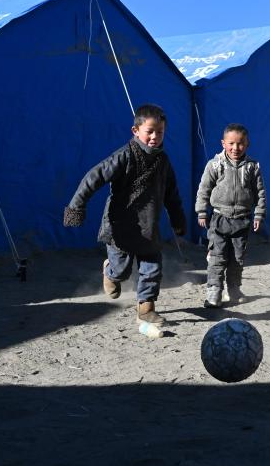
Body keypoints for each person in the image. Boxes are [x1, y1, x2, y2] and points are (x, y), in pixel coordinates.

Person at [63, 103, 186, 327]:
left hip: (149, 227)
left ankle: (146, 309)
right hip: (120, 226)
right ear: (135, 131)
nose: (155, 137)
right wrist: (76, 207)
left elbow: (172, 194)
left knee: (152, 269)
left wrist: (178, 220)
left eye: (160, 132)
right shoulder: (124, 156)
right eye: (150, 131)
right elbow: (94, 177)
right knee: (121, 270)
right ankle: (110, 271)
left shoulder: (163, 162)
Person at [195, 123, 267, 308]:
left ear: (247, 144)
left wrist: (258, 214)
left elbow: (260, 193)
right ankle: (214, 291)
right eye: (231, 143)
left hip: (242, 220)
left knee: (237, 258)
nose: (236, 148)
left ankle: (233, 289)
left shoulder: (252, 167)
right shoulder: (215, 165)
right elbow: (204, 189)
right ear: (223, 143)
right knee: (217, 257)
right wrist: (201, 211)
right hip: (219, 219)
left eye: (241, 143)